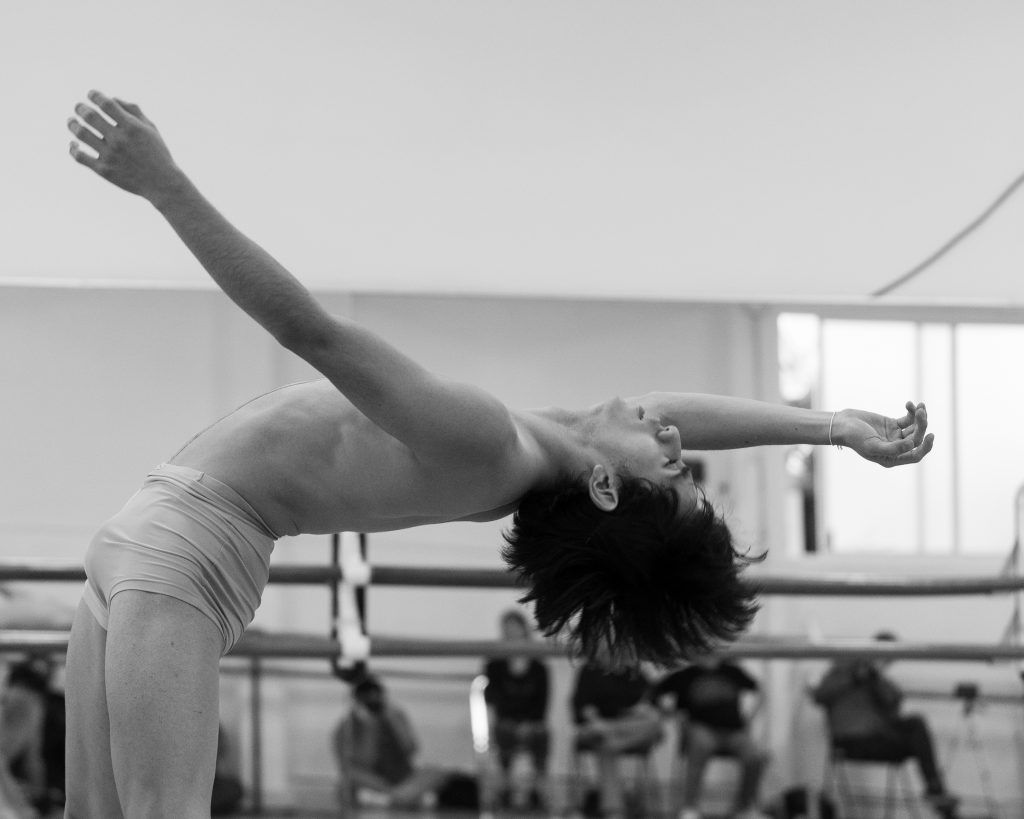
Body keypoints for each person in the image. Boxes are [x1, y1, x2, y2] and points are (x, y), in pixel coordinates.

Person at [63, 89, 934, 818]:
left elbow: (309, 331)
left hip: (185, 557)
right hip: (151, 535)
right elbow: (670, 412)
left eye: (674, 468)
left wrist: (164, 186)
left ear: (603, 485)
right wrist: (834, 428)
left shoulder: (483, 443)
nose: (675, 438)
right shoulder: (550, 442)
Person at [812, 632, 959, 819]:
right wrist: (854, 678)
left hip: (877, 739)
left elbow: (894, 704)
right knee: (915, 728)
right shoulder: (842, 669)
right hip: (851, 743)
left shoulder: (877, 679)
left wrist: (875, 680)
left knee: (916, 725)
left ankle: (935, 789)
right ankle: (935, 790)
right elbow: (820, 695)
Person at [655, 655, 769, 819]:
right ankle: (690, 807)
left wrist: (750, 719)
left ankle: (744, 808)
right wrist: (671, 714)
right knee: (700, 744)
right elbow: (655, 691)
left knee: (754, 756)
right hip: (702, 728)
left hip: (734, 730)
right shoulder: (686, 675)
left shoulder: (732, 671)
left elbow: (760, 690)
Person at [332, 674, 447, 810]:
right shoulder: (347, 727)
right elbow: (361, 763)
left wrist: (395, 721)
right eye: (368, 698)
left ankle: (393, 797)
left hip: (403, 779)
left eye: (377, 697)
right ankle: (402, 797)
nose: (373, 701)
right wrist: (370, 725)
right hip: (372, 781)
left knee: (437, 773)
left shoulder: (394, 716)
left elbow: (411, 749)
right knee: (349, 779)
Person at [571, 658, 663, 818]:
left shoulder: (634, 671)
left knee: (653, 721)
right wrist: (597, 721)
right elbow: (582, 709)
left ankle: (614, 812)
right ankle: (614, 811)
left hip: (623, 728)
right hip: (599, 727)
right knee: (599, 736)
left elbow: (651, 701)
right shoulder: (589, 671)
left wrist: (640, 709)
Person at [482, 609, 550, 811]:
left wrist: (529, 722)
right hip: (506, 720)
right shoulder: (494, 664)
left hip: (532, 722)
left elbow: (542, 703)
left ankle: (537, 786)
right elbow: (491, 697)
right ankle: (506, 787)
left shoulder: (539, 667)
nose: (511, 632)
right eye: (507, 628)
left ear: (524, 630)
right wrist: (510, 719)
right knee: (504, 732)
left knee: (540, 734)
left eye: (515, 627)